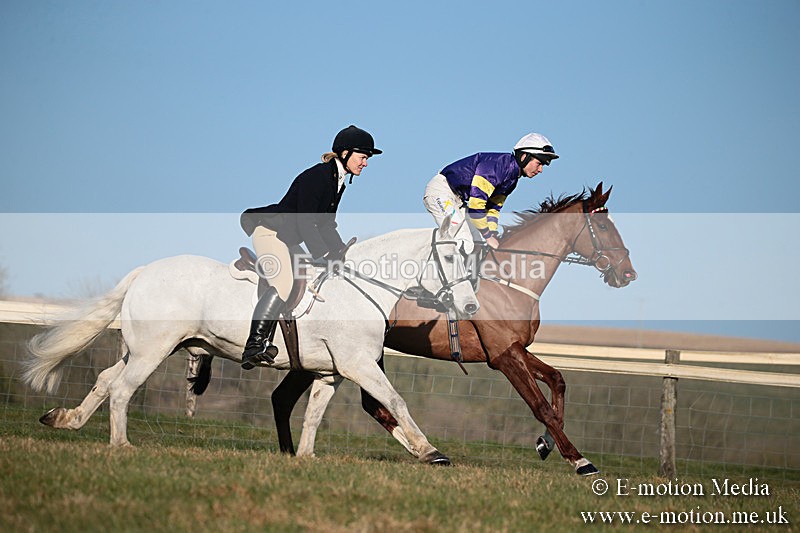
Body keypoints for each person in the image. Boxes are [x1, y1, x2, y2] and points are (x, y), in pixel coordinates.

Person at [239, 125, 382, 369]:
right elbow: (306, 220)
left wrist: (341, 254)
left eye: (367, 158)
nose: (365, 163)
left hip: (289, 238)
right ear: (345, 154)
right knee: (284, 282)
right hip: (272, 233)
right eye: (363, 157)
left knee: (312, 277)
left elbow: (326, 225)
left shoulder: (337, 181)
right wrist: (324, 254)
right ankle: (255, 343)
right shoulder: (318, 176)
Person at [423, 132, 559, 254]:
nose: (540, 169)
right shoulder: (496, 167)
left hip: (458, 200)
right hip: (441, 192)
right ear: (524, 156)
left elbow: (492, 210)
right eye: (539, 163)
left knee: (477, 241)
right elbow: (476, 206)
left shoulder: (512, 181)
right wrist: (488, 236)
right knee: (462, 237)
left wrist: (492, 234)